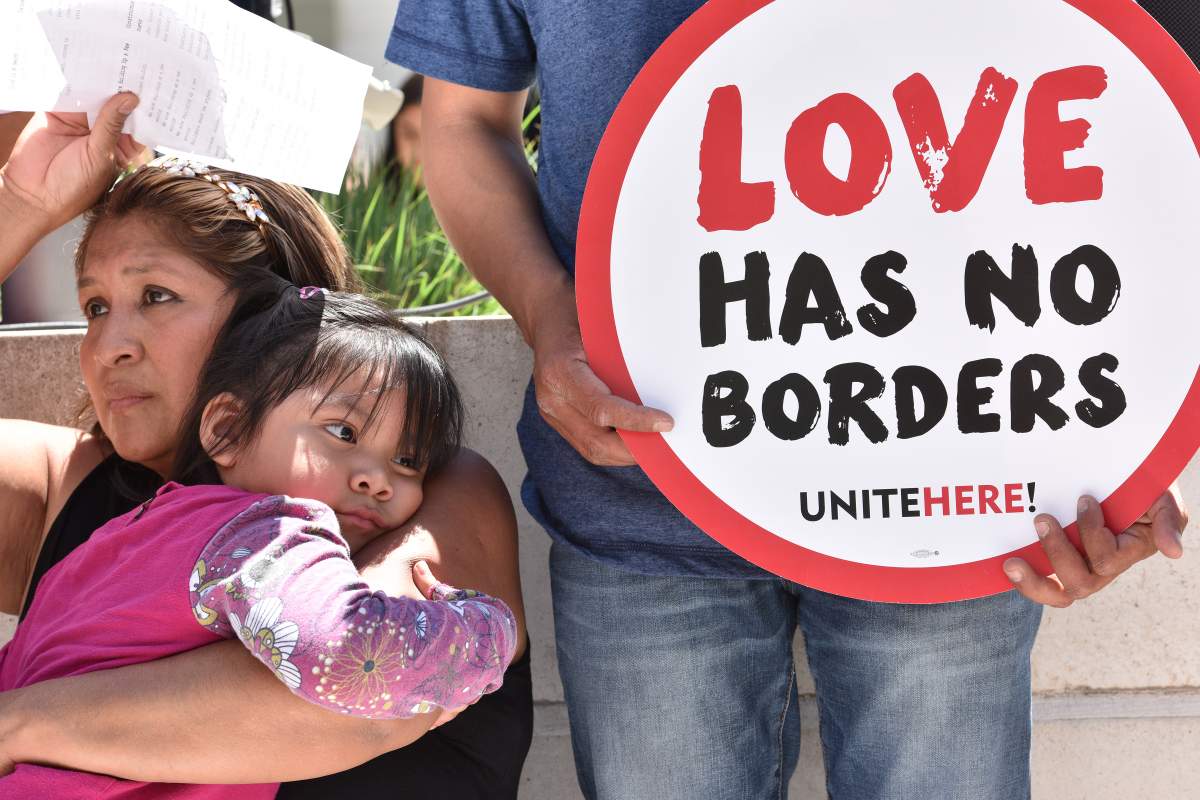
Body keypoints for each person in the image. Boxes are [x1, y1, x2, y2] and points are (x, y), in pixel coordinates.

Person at [384, 3, 1189, 799]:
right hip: (641, 493)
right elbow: (461, 118)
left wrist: (1123, 431)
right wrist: (546, 310)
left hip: (952, 495)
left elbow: (1119, 71)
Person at [0, 96, 532, 798]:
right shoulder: (70, 486)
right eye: (95, 305)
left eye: (155, 295)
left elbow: (359, 696)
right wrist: (21, 205)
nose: (109, 347)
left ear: (271, 317)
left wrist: (19, 723)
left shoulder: (427, 488)